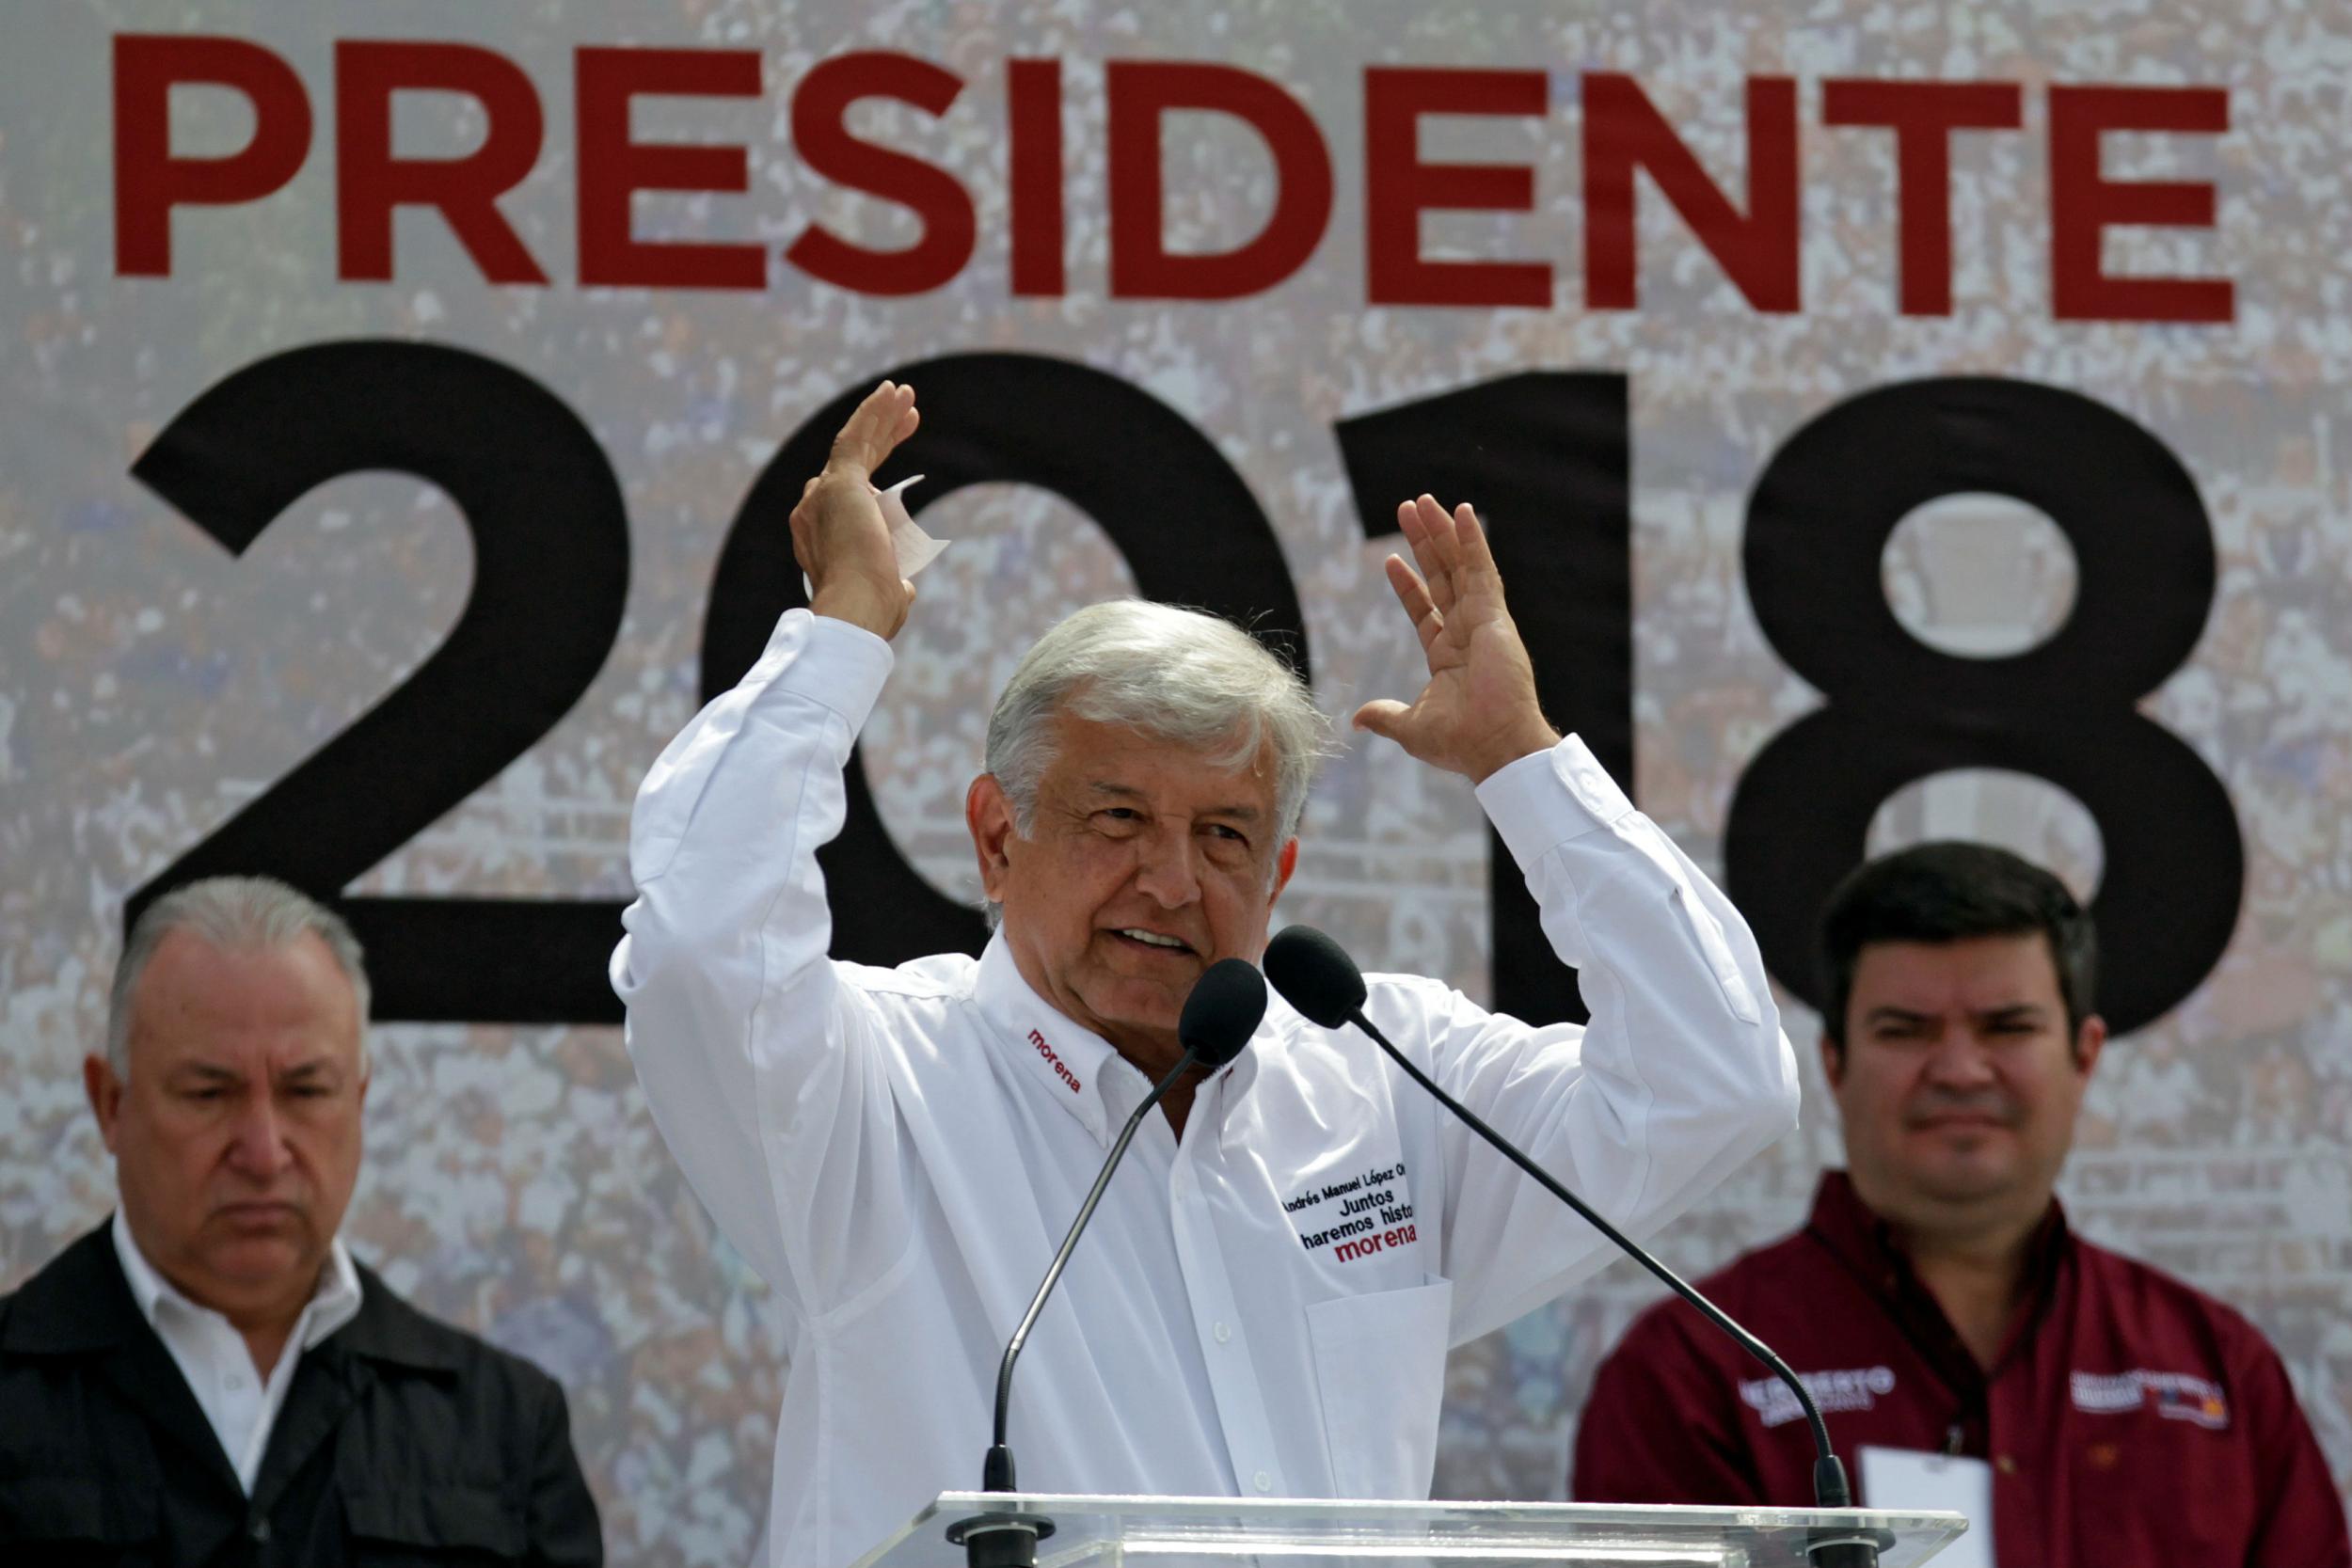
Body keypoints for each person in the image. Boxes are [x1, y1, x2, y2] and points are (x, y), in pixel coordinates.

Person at [612, 380, 1800, 1566]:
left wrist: (1524, 766)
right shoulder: (867, 1086)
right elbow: (699, 940)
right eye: (1117, 817)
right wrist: (840, 637)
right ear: (995, 837)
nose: (1172, 881)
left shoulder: (1386, 1071)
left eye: (1224, 835)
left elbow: (1716, 1080)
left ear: (1279, 868)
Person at [1573, 842, 2350, 1568]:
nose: (1960, 1068)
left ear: (2084, 1056)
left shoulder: (2215, 1372)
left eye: (2007, 1026)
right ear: (1834, 1064)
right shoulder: (1691, 1375)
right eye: (1905, 1029)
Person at [0, 877, 603, 1567]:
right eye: (208, 1092)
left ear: (360, 1099)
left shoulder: (505, 1427)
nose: (263, 1151)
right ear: (111, 1103)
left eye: (306, 1090)